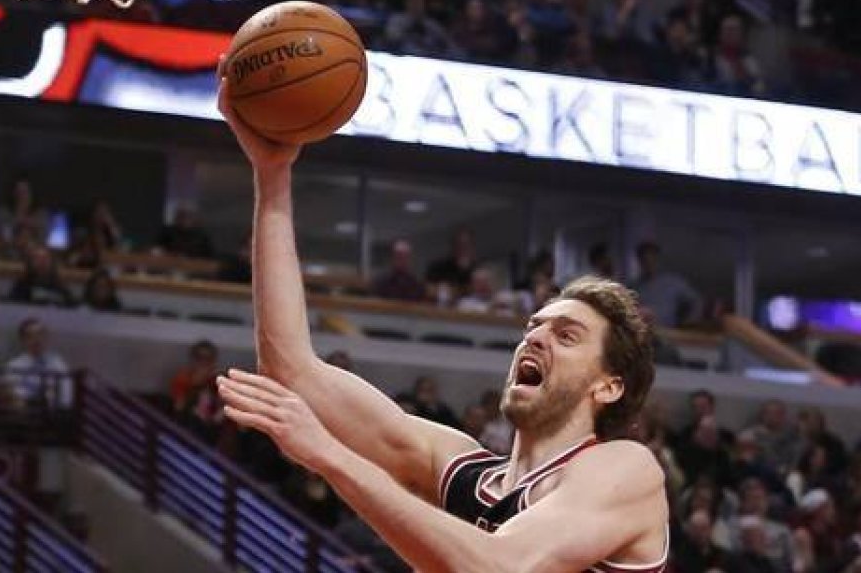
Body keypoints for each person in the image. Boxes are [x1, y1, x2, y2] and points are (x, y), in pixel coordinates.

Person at [213, 67, 670, 572]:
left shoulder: (624, 468)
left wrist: (333, 457)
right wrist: (273, 176)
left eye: (566, 335)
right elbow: (293, 374)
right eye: (533, 327)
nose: (536, 338)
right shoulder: (463, 470)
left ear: (609, 386)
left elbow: (501, 568)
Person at [629, 240, 702, 328]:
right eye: (645, 260)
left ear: (657, 259)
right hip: (642, 334)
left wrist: (689, 322)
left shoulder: (674, 283)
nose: (649, 263)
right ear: (640, 261)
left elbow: (696, 301)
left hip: (668, 335)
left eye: (652, 259)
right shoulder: (634, 287)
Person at [5, 318, 72, 409]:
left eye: (40, 334)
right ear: (22, 340)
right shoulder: (14, 366)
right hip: (28, 413)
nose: (37, 339)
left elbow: (66, 393)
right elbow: (18, 396)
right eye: (30, 336)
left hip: (55, 414)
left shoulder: (57, 363)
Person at [7, 245, 75, 307]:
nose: (42, 261)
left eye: (45, 258)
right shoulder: (22, 285)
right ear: (31, 262)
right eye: (37, 258)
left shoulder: (60, 286)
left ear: (52, 262)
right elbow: (11, 305)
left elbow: (73, 307)